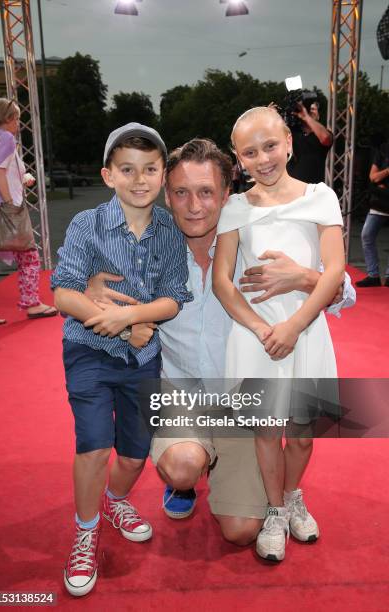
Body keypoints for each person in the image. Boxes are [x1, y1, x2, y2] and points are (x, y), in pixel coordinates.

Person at [87, 137, 354, 550]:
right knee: (182, 466)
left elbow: (343, 292)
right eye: (181, 192)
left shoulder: (252, 236)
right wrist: (98, 297)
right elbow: (98, 301)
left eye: (206, 192)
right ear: (167, 196)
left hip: (240, 403)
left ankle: (240, 479)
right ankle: (186, 480)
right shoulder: (145, 251)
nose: (194, 205)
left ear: (226, 194)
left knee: (242, 531)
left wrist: (304, 278)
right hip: (182, 395)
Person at [51, 123, 192, 597]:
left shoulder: (170, 230)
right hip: (88, 351)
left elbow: (174, 297)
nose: (140, 179)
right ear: (108, 175)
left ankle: (113, 501)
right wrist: (108, 320)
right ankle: (85, 531)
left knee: (133, 456)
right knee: (93, 445)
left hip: (142, 357)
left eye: (150, 169)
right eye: (127, 169)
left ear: (161, 174)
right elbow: (63, 291)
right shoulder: (86, 225)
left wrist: (134, 317)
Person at [212, 106, 345, 562]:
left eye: (270, 146)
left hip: (305, 332)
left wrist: (294, 325)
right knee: (267, 431)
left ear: (288, 142)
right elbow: (222, 282)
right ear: (239, 158)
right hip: (256, 338)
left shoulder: (320, 197)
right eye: (250, 152)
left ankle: (291, 498)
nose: (263, 158)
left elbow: (335, 272)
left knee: (302, 432)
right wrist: (262, 328)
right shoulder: (233, 207)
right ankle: (273, 510)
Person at [0, 97, 58, 326]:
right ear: (7, 118)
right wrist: (9, 204)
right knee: (29, 256)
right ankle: (32, 303)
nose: (18, 122)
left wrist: (22, 178)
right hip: (4, 210)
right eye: (16, 117)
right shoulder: (6, 138)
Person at [356, 139, 389, 287]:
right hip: (381, 201)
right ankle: (373, 274)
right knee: (367, 234)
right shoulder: (383, 148)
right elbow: (373, 176)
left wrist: (382, 178)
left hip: (382, 195)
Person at [288, 101, 333, 184]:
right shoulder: (293, 133)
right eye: (308, 109)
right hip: (291, 189)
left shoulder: (324, 133)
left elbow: (326, 138)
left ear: (318, 115)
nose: (309, 111)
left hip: (312, 190)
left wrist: (306, 117)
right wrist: (270, 116)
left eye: (313, 109)